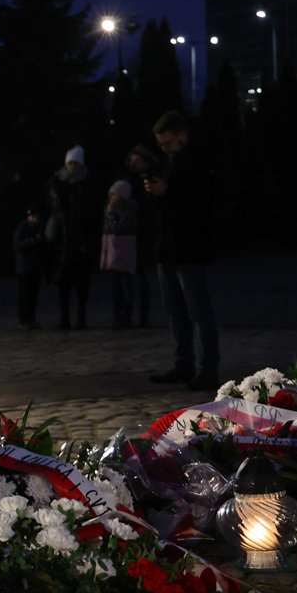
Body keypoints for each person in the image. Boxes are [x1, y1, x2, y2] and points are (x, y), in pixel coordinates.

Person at [143, 111, 220, 392]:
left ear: (182, 136)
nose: (164, 148)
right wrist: (156, 193)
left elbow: (200, 203)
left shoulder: (198, 162)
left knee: (199, 311)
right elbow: (168, 206)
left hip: (190, 249)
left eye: (168, 143)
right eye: (161, 144)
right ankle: (183, 364)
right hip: (169, 248)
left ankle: (207, 370)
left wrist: (167, 192)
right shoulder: (170, 162)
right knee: (176, 312)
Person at [45, 146, 100, 329]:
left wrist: (90, 239)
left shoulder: (87, 184)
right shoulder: (57, 183)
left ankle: (81, 316)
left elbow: (93, 214)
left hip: (81, 238)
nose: (73, 167)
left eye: (76, 163)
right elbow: (51, 208)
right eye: (70, 163)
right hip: (63, 238)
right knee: (64, 281)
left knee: (82, 281)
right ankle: (64, 316)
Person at [126, 145, 162, 327]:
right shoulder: (129, 180)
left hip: (145, 233)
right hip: (130, 232)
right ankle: (126, 314)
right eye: (131, 161)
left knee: (143, 277)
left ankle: (144, 314)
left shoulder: (152, 179)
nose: (133, 164)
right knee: (129, 277)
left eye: (137, 161)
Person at [100, 180, 138, 329]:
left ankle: (126, 316)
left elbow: (117, 228)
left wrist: (111, 214)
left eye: (114, 194)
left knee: (127, 285)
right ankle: (117, 315)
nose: (111, 198)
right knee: (115, 286)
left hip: (124, 251)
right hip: (113, 252)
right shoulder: (111, 209)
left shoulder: (128, 211)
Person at [13, 208, 46, 329]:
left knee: (33, 296)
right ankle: (22, 320)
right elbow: (17, 246)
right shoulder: (22, 228)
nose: (36, 219)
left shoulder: (38, 229)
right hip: (24, 268)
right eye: (34, 217)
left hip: (34, 268)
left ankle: (31, 319)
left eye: (38, 217)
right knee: (24, 295)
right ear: (29, 217)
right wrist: (32, 241)